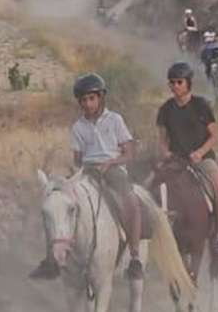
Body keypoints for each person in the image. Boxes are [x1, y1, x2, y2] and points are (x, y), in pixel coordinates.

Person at [32, 73, 150, 281]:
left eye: (91, 98)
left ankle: (134, 257)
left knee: (130, 201)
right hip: (87, 171)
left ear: (100, 98)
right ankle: (53, 258)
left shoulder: (115, 120)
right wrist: (83, 168)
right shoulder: (78, 127)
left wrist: (110, 163)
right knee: (58, 205)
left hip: (113, 169)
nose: (88, 103)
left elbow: (129, 152)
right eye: (84, 100)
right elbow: (78, 158)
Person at [157, 61, 218, 253]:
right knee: (149, 183)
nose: (175, 86)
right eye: (172, 83)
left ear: (188, 83)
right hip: (176, 159)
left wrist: (200, 152)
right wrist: (165, 152)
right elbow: (162, 138)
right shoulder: (165, 109)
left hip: (203, 159)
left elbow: (214, 134)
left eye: (179, 82)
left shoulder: (200, 105)